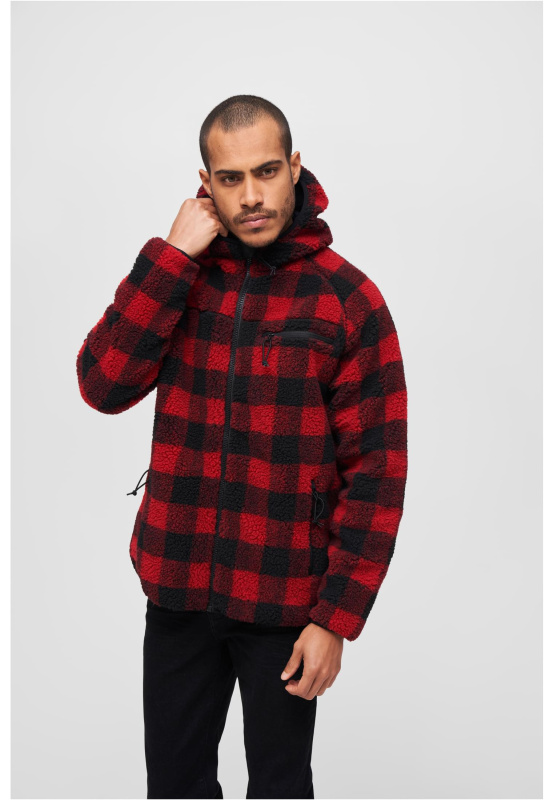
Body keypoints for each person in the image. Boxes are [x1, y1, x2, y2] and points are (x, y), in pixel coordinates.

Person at [76, 94, 408, 799]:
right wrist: (169, 259)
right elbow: (102, 384)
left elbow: (378, 473)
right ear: (206, 183)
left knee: (281, 789)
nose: (251, 196)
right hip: (176, 588)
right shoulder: (180, 277)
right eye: (231, 179)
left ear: (295, 167)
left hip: (285, 601)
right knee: (174, 787)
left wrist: (335, 619)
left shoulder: (347, 299)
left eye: (266, 171)